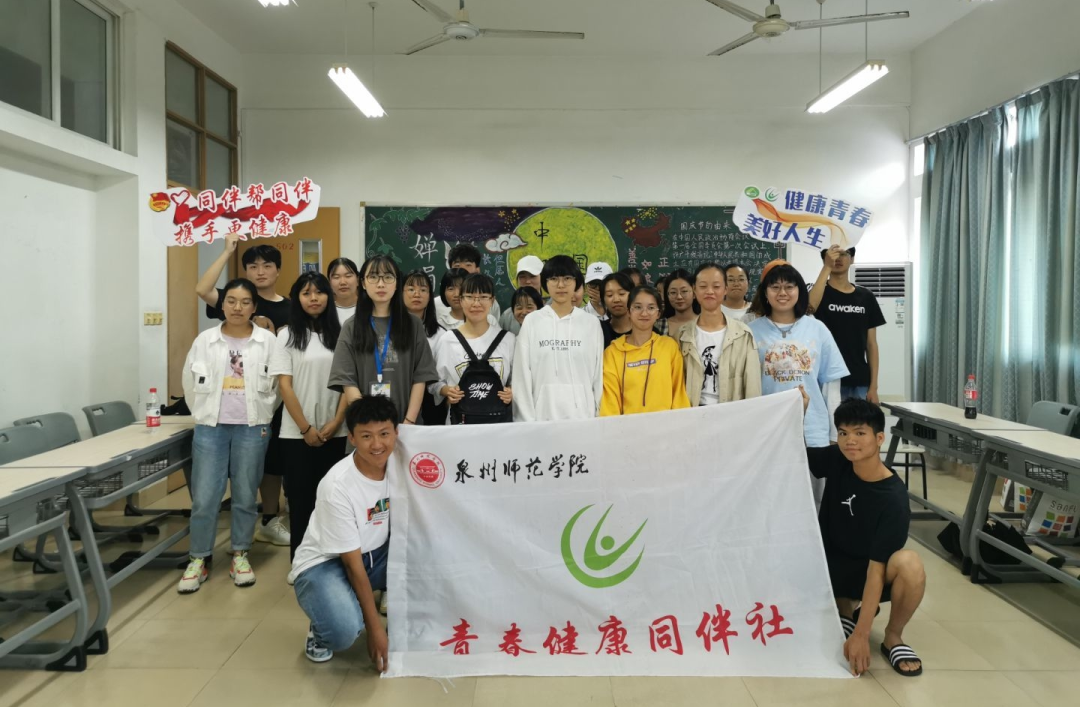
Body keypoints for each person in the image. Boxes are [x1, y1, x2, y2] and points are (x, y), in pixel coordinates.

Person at [804, 396, 925, 678]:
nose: (850, 441)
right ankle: (846, 611)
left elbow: (877, 569)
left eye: (860, 433)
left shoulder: (893, 498)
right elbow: (793, 451)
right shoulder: (839, 459)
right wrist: (799, 413)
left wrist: (862, 635)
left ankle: (893, 637)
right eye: (843, 433)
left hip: (871, 572)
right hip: (831, 569)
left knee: (910, 563)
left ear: (879, 438)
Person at [179, 279, 281, 593]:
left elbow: (278, 387)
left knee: (246, 495)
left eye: (245, 302)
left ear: (254, 307)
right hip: (211, 427)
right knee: (205, 496)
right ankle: (198, 558)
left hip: (252, 426)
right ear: (222, 305)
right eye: (232, 301)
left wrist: (263, 413)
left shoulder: (267, 341)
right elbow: (189, 382)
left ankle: (240, 554)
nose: (238, 308)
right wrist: (203, 415)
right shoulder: (205, 340)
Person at [289, 396, 399, 667]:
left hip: (374, 554)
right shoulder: (337, 486)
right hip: (325, 564)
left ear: (396, 433)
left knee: (427, 553)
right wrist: (375, 630)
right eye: (366, 436)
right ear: (351, 438)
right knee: (343, 632)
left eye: (384, 434)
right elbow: (352, 564)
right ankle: (320, 629)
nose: (377, 444)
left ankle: (356, 604)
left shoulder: (400, 465)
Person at [270, 272, 347, 561]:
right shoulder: (287, 336)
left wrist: (337, 421)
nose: (313, 298)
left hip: (334, 430)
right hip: (296, 433)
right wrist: (305, 428)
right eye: (306, 293)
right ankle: (301, 561)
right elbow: (285, 386)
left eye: (319, 292)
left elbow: (348, 382)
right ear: (297, 299)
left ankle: (330, 559)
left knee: (331, 500)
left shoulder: (341, 334)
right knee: (301, 500)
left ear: (329, 297)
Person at [747, 260, 848, 449]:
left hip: (812, 429)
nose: (782, 293)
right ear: (765, 293)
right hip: (764, 429)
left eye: (789, 287)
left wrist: (835, 433)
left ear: (799, 291)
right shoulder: (750, 331)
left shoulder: (817, 328)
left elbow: (831, 386)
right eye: (775, 287)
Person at [327, 255, 437, 426]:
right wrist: (368, 423)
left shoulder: (413, 325)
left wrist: (408, 422)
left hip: (407, 425)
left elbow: (420, 377)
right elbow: (347, 381)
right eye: (373, 277)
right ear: (363, 283)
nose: (380, 284)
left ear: (397, 283)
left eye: (387, 277)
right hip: (365, 426)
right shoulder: (351, 327)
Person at [513, 255, 604, 421]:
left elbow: (598, 377)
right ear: (545, 283)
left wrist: (597, 419)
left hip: (584, 420)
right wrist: (527, 424)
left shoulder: (591, 323)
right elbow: (521, 378)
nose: (561, 285)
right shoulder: (532, 321)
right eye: (554, 279)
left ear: (576, 282)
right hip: (541, 421)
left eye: (567, 278)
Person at [431, 273, 515, 423]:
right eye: (469, 297)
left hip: (498, 424)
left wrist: (512, 391)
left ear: (492, 301)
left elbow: (518, 380)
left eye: (483, 297)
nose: (476, 304)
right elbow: (434, 382)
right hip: (460, 423)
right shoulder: (447, 340)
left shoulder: (508, 340)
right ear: (461, 300)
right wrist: (447, 391)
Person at [809, 246, 886, 404]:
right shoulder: (816, 292)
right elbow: (809, 308)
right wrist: (826, 267)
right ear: (825, 259)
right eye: (833, 255)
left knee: (858, 420)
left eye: (844, 254)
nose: (838, 259)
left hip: (858, 380)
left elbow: (871, 344)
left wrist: (873, 387)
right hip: (825, 379)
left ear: (852, 259)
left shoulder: (866, 296)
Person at [677, 263, 762, 406]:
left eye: (716, 286)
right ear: (694, 290)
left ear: (725, 290)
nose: (709, 291)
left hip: (730, 413)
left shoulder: (743, 334)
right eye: (703, 286)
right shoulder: (683, 334)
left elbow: (752, 385)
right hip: (692, 412)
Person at [600, 286, 690, 416]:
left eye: (651, 308)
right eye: (638, 307)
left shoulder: (669, 347)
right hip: (626, 427)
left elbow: (679, 394)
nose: (644, 313)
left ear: (658, 313)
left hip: (666, 426)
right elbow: (609, 402)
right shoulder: (613, 352)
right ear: (629, 311)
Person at [196, 234, 291, 331]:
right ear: (246, 271)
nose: (260, 272)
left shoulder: (292, 308)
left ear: (278, 271)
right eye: (253, 267)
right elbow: (202, 290)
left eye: (267, 266)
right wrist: (227, 251)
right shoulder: (235, 301)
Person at [402, 270, 447, 426]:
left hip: (430, 402)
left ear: (429, 296)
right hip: (398, 393)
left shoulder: (441, 334)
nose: (417, 294)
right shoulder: (390, 330)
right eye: (411, 289)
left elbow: (441, 375)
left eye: (423, 290)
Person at [433, 243, 502, 321]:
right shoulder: (436, 304)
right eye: (457, 265)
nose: (463, 269)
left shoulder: (489, 302)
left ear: (477, 271)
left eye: (468, 265)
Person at [499, 255, 545, 335]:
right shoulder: (507, 316)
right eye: (522, 277)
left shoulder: (552, 309)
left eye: (533, 276)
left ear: (542, 277)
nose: (528, 281)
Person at [599, 272, 634, 348]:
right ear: (603, 300)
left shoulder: (645, 331)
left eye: (621, 294)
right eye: (610, 295)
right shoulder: (599, 330)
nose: (616, 300)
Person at [662, 268, 699, 337]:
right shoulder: (660, 325)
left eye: (684, 291)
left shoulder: (704, 323)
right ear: (667, 295)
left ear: (694, 293)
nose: (679, 297)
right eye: (673, 292)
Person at [327, 257, 360, 325]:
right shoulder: (325, 310)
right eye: (336, 277)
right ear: (329, 282)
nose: (343, 282)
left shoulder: (370, 308)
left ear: (358, 280)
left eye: (348, 276)